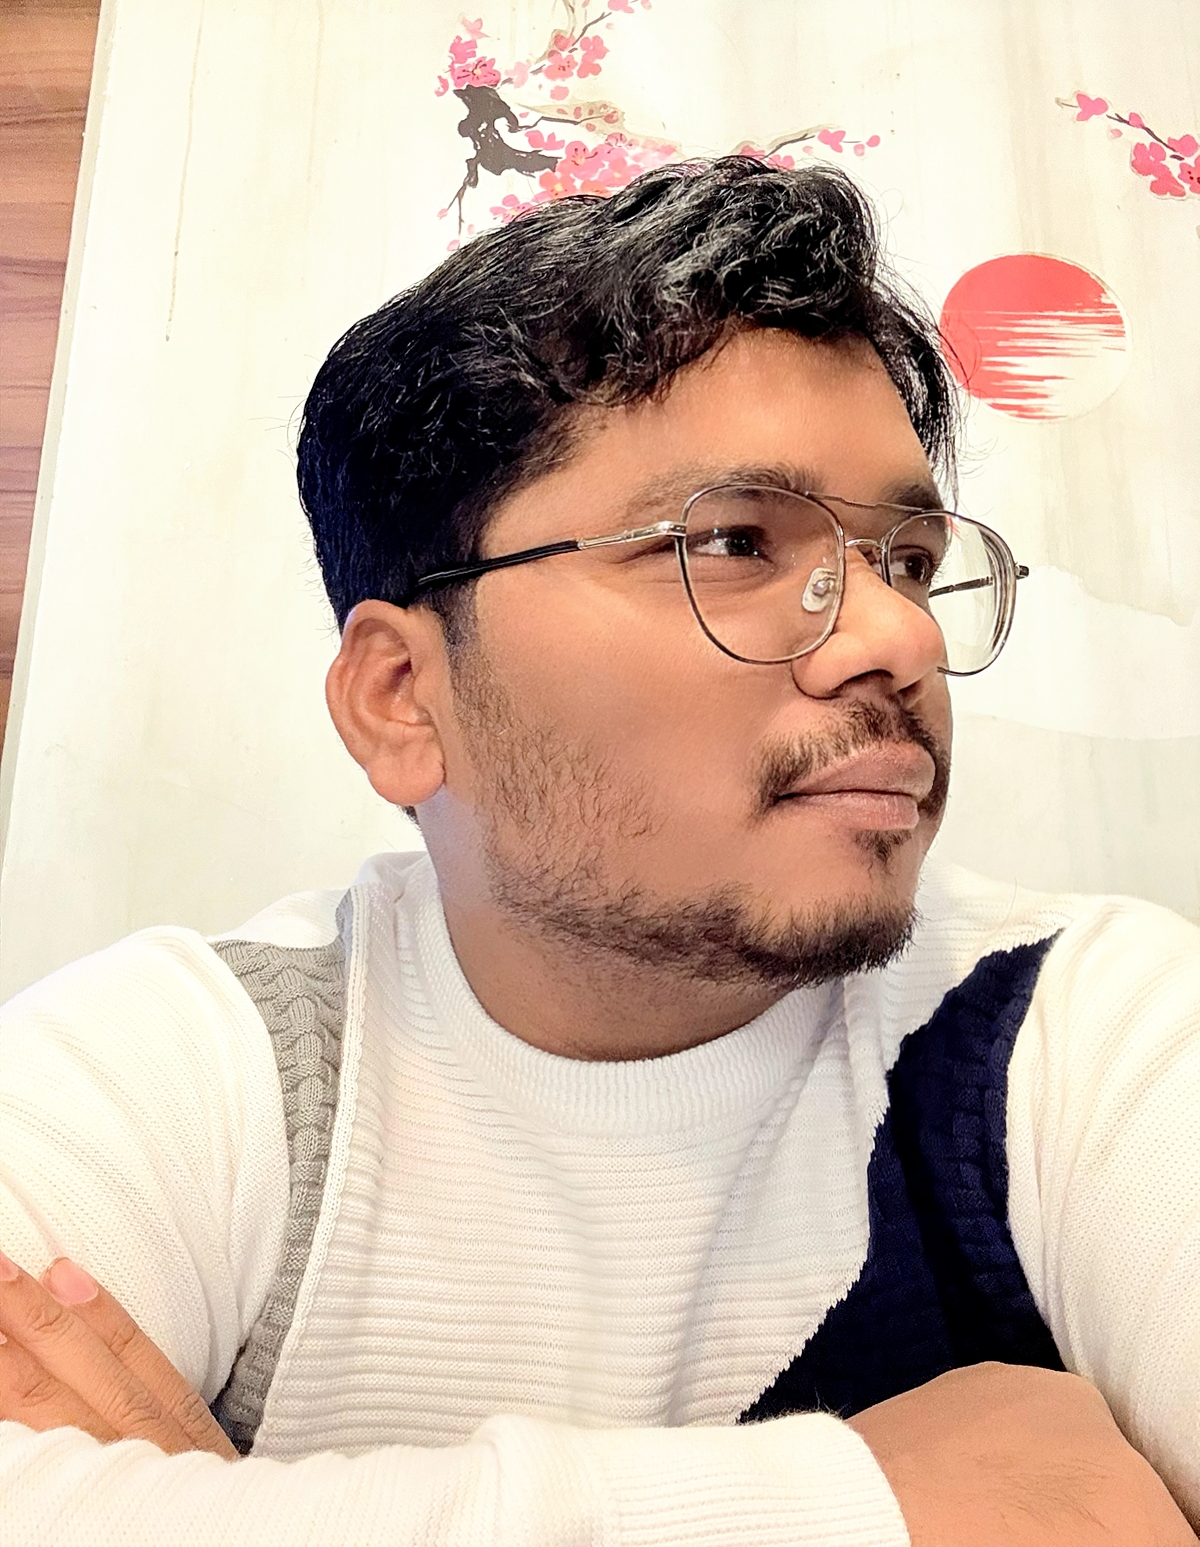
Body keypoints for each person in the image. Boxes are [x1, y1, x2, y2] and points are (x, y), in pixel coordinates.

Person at [0, 158, 1196, 1546]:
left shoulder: (1080, 1031)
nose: (900, 638)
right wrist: (879, 1507)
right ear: (404, 700)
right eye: (736, 541)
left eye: (909, 561)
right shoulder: (194, 1070)